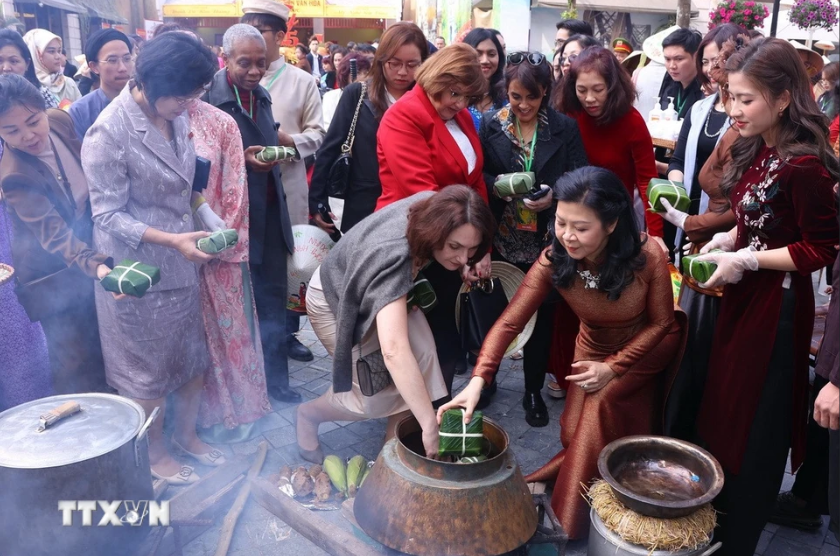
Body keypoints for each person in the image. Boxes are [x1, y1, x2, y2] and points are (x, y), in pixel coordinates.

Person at [440, 166, 686, 539]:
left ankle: (562, 524)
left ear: (611, 224)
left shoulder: (647, 254)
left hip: (645, 347)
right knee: (573, 432)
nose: (567, 236)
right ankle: (589, 480)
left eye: (581, 228)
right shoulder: (554, 260)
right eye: (560, 222)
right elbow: (509, 323)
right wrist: (478, 379)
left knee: (600, 408)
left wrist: (613, 368)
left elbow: (661, 326)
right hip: (592, 348)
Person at [690, 38, 839, 555]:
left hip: (777, 308)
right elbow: (763, 220)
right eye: (730, 96)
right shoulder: (762, 148)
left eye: (746, 98)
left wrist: (750, 259)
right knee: (726, 409)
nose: (734, 109)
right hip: (744, 299)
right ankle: (719, 514)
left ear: (782, 98)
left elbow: (820, 247)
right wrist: (731, 240)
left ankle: (740, 535)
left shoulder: (806, 165)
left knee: (756, 422)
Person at [83, 32, 224, 484]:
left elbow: (184, 185)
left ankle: (188, 435)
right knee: (148, 373)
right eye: (183, 95)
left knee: (191, 359)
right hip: (137, 272)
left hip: (183, 262)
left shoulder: (175, 114)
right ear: (153, 83)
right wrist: (172, 240)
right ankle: (156, 452)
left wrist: (204, 212)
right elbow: (106, 214)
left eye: (196, 94)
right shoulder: (108, 131)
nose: (190, 104)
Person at [296, 186, 495, 461]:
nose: (463, 259)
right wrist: (428, 426)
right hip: (336, 298)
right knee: (372, 393)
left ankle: (390, 457)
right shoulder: (394, 256)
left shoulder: (429, 206)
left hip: (383, 286)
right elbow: (394, 352)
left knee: (424, 357)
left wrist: (465, 258)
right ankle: (308, 416)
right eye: (455, 247)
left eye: (472, 249)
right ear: (435, 232)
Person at [479, 50, 588, 425]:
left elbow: (579, 176)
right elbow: (479, 176)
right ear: (505, 92)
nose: (523, 105)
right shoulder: (491, 124)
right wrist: (501, 187)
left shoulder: (563, 128)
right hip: (502, 235)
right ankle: (486, 379)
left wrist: (553, 195)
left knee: (542, 317)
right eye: (515, 97)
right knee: (494, 312)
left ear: (545, 92)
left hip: (545, 238)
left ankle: (531, 391)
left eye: (532, 97)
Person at [376, 42, 491, 398]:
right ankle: (422, 421)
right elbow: (422, 193)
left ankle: (432, 415)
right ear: (436, 78)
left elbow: (475, 182)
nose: (459, 103)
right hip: (417, 243)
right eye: (454, 92)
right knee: (428, 341)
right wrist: (463, 252)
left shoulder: (457, 117)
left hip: (451, 242)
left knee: (444, 342)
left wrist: (480, 248)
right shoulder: (405, 115)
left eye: (466, 97)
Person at [203, 25, 298, 405]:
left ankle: (277, 382)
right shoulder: (210, 97)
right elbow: (202, 165)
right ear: (225, 59)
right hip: (233, 220)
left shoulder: (262, 94)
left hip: (271, 214)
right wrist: (239, 165)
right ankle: (242, 387)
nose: (255, 71)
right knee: (237, 304)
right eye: (245, 63)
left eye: (262, 62)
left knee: (274, 299)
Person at [0, 74, 111, 396]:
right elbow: (55, 235)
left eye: (33, 121)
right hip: (52, 276)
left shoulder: (61, 121)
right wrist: (97, 264)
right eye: (11, 131)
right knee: (73, 363)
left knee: (106, 349)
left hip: (89, 255)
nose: (28, 136)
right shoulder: (14, 175)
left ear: (42, 109)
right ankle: (78, 437)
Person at [662, 33, 745, 440]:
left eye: (719, 67)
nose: (713, 76)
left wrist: (692, 224)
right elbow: (681, 159)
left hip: (721, 247)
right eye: (711, 65)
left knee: (707, 351)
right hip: (703, 238)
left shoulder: (747, 131)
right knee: (691, 343)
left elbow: (745, 208)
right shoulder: (705, 111)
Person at [241, 0, 326, 364]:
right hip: (245, 190)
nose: (254, 38)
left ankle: (287, 333)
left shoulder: (302, 81)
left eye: (261, 30)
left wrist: (290, 142)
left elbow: (320, 134)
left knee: (290, 263)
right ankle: (249, 333)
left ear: (279, 35)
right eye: (248, 28)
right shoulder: (233, 79)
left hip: (287, 186)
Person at [310, 22, 429, 234]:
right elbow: (331, 146)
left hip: (415, 206)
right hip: (363, 203)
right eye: (395, 63)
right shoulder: (357, 94)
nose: (403, 72)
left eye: (412, 65)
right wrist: (317, 200)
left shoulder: (427, 100)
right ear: (382, 60)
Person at [654, 24, 744, 255]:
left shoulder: (745, 116)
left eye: (716, 61)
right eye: (704, 62)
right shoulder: (699, 108)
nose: (709, 69)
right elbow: (679, 160)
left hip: (725, 218)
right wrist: (676, 190)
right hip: (687, 206)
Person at [555, 46, 662, 236]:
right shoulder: (569, 115)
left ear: (613, 87)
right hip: (572, 220)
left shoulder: (632, 122)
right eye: (582, 90)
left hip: (615, 221)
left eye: (598, 90)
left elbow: (648, 182)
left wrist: (656, 234)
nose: (589, 99)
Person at [68, 29, 133, 141]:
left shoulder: (148, 102)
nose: (122, 68)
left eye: (127, 59)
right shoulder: (80, 111)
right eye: (112, 60)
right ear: (94, 67)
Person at [654, 28, 703, 175]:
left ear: (696, 57)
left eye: (679, 59)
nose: (671, 66)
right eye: (667, 59)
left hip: (689, 167)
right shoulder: (669, 78)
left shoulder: (706, 86)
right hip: (662, 155)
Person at [462, 28, 506, 131]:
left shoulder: (507, 96)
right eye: (478, 54)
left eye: (491, 54)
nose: (485, 60)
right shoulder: (454, 95)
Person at [0, 29, 57, 109]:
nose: (6, 68)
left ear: (27, 64)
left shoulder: (41, 94)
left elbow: (57, 120)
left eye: (13, 61)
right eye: (0, 61)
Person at [22, 29, 81, 106]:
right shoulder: (25, 87)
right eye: (51, 51)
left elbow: (82, 114)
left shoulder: (68, 84)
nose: (58, 56)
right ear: (36, 54)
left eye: (59, 51)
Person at [322, 52, 371, 131]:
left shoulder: (372, 99)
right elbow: (328, 129)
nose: (363, 77)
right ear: (345, 74)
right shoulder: (330, 97)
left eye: (365, 73)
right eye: (358, 72)